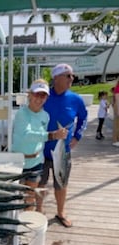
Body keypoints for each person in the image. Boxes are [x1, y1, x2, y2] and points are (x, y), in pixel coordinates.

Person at [37, 64, 88, 227]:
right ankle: (38, 211)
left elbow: (83, 118)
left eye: (72, 75)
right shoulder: (43, 96)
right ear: (56, 77)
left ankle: (60, 212)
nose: (71, 79)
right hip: (41, 150)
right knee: (40, 182)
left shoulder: (76, 99)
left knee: (61, 183)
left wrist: (77, 136)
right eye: (68, 76)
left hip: (63, 152)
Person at [11, 78, 68, 210]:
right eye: (37, 94)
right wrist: (52, 135)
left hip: (36, 162)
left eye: (43, 95)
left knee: (30, 195)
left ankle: (28, 221)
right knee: (13, 196)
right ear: (30, 95)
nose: (39, 98)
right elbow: (26, 135)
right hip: (18, 162)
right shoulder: (21, 114)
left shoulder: (45, 116)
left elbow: (39, 140)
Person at [112, 79, 119, 147]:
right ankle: (115, 140)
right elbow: (117, 100)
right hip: (117, 108)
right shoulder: (118, 88)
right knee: (116, 125)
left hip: (117, 107)